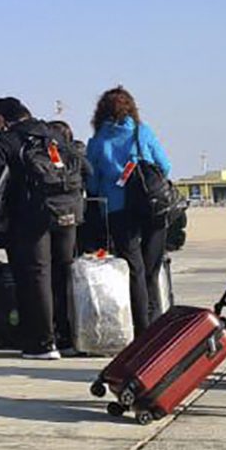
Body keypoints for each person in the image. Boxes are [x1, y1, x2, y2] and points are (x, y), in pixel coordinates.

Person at [0, 98, 82, 360]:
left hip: (30, 217)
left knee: (36, 276)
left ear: (3, 118)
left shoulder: (7, 141)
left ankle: (42, 342)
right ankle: (67, 338)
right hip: (67, 212)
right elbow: (85, 169)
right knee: (62, 272)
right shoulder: (54, 135)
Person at [84, 87, 172, 333]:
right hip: (151, 207)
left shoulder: (98, 141)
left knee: (134, 270)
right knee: (152, 270)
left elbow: (92, 182)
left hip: (118, 210)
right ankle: (157, 325)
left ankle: (141, 328)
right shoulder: (142, 132)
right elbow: (165, 166)